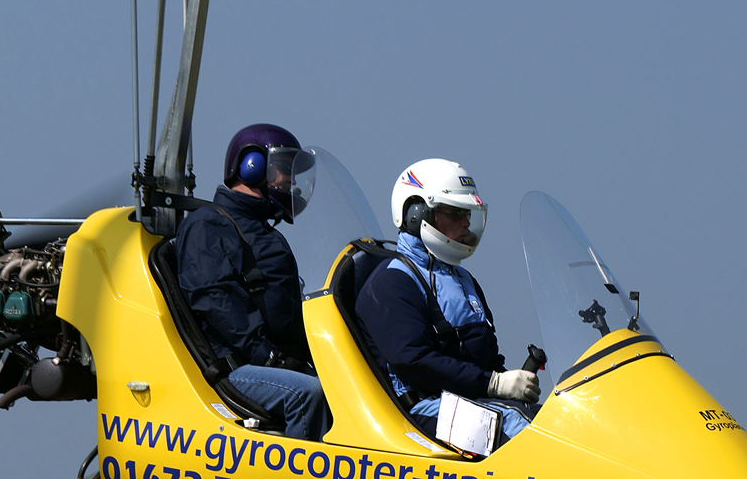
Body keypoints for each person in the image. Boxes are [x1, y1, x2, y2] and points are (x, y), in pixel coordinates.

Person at [356, 158, 538, 449]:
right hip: (424, 410)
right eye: (456, 213)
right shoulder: (392, 282)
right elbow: (412, 362)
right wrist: (493, 384)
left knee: (554, 422)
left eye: (469, 214)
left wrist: (506, 382)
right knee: (526, 437)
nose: (466, 222)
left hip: (471, 399)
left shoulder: (462, 279)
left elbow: (485, 354)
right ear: (417, 214)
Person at [175, 124, 328, 441]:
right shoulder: (208, 224)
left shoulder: (263, 231)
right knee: (307, 393)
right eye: (285, 168)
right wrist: (267, 357)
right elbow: (216, 299)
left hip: (274, 363)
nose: (292, 180)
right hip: (238, 368)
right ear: (252, 166)